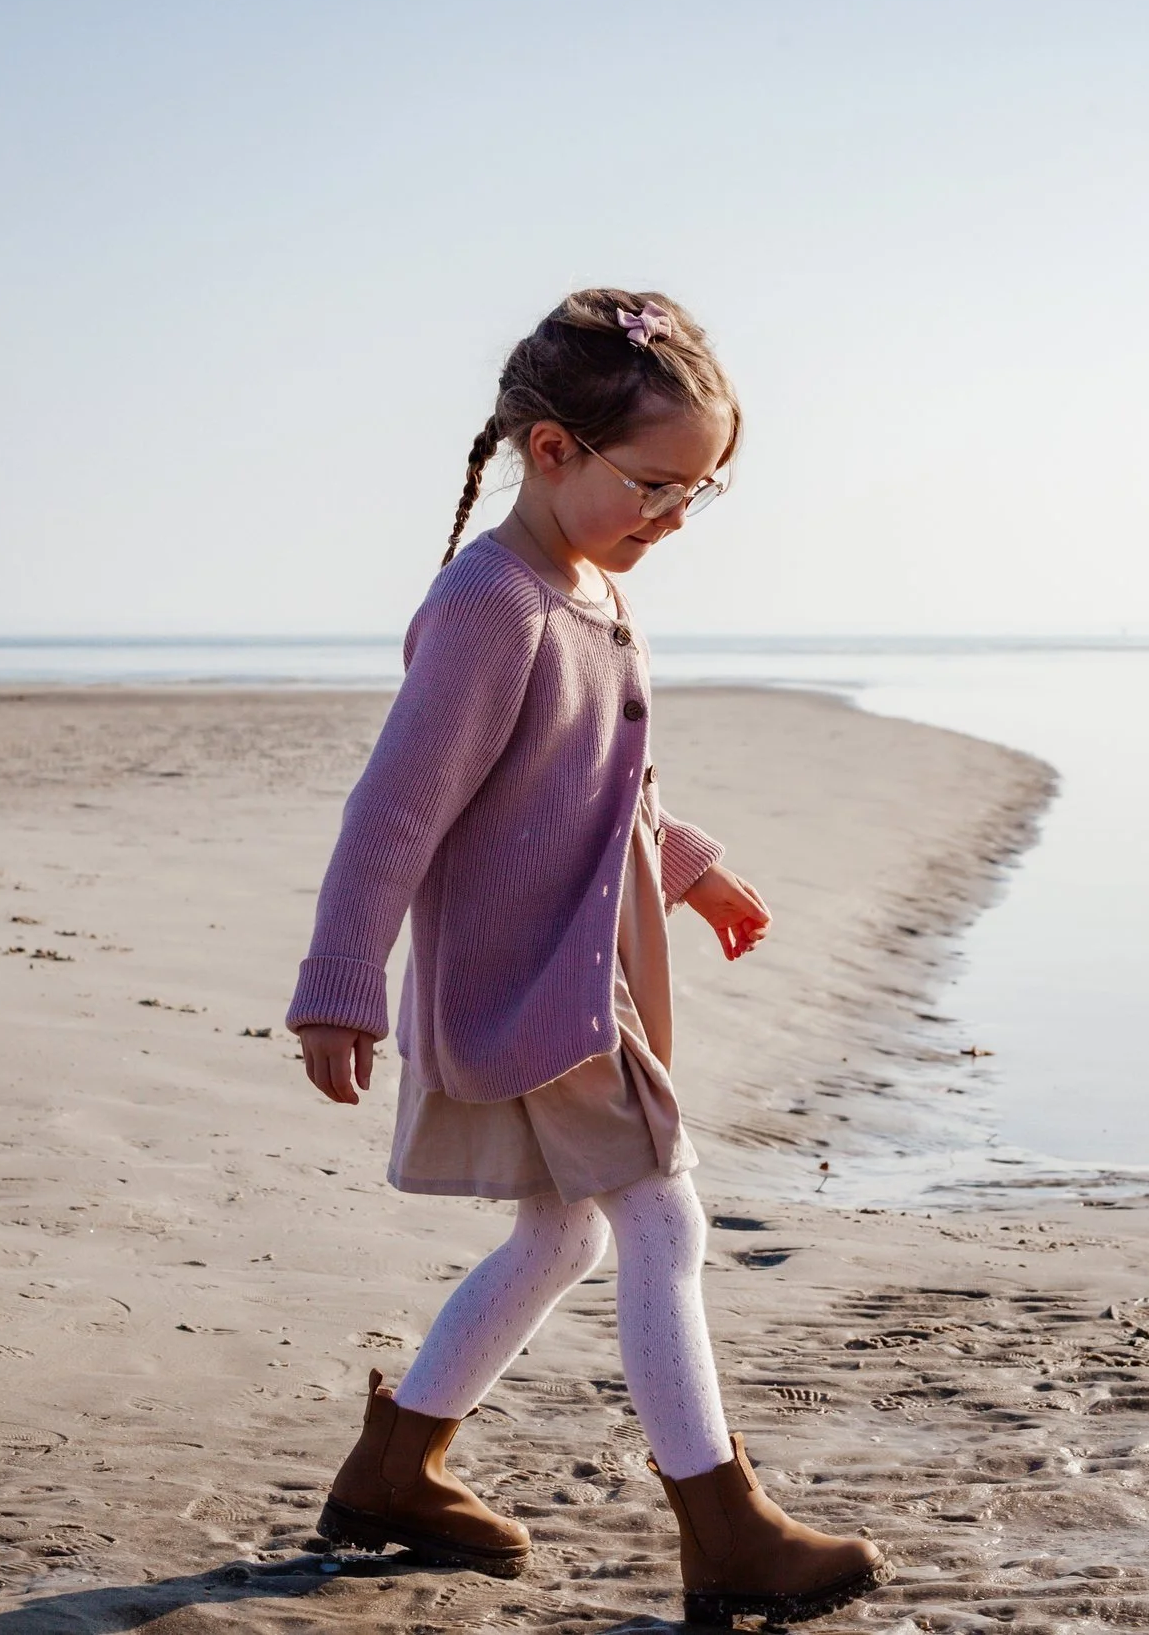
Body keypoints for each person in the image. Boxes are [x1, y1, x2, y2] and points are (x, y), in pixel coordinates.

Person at [284, 289, 890, 1627]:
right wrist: (340, 983)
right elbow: (395, 810)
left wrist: (690, 864)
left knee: (563, 1230)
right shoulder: (492, 605)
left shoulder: (593, 587)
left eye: (703, 492)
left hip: (576, 971)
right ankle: (724, 1526)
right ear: (551, 452)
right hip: (532, 984)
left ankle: (395, 1467)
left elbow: (602, 785)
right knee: (663, 1216)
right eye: (657, 484)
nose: (675, 517)